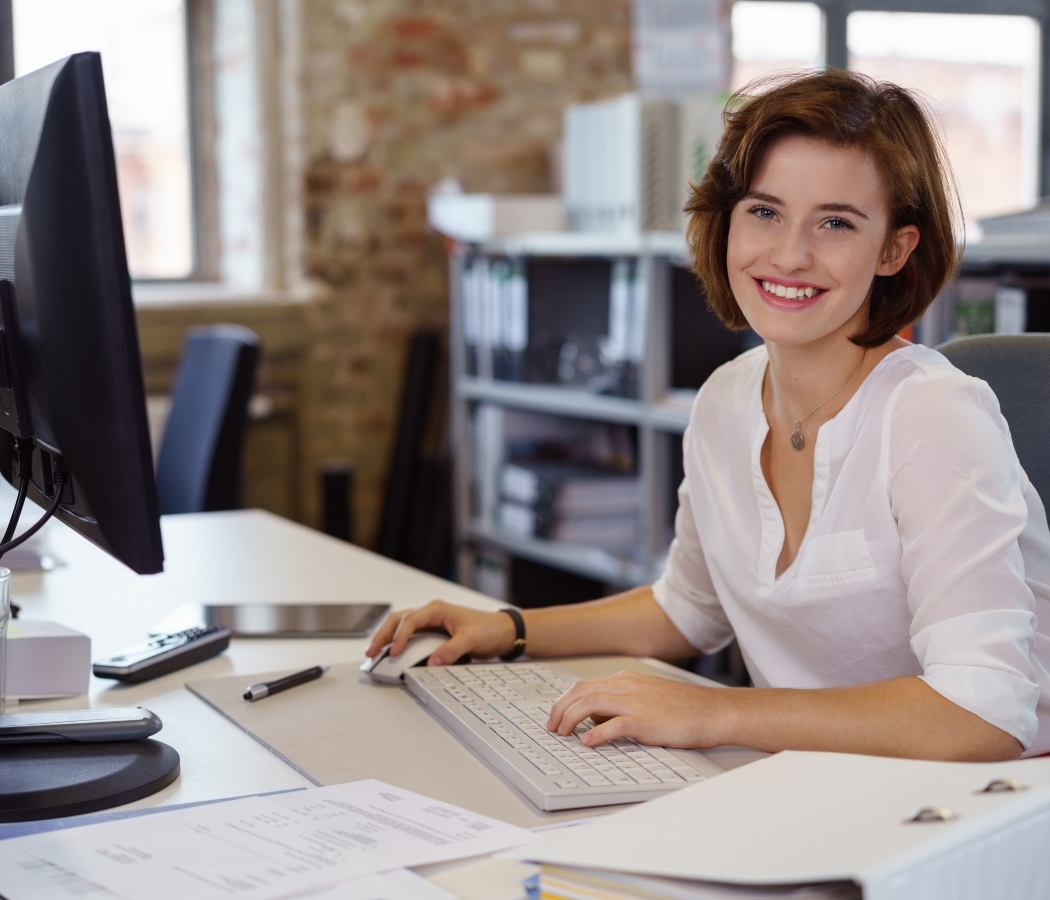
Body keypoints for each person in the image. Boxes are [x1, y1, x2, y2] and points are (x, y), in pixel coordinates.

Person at [367, 69, 1050, 762]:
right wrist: (508, 627)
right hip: (818, 788)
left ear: (895, 249)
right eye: (764, 211)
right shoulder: (725, 399)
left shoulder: (934, 415)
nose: (789, 254)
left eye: (836, 222)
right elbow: (687, 610)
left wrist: (715, 712)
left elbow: (982, 715)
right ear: (725, 220)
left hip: (981, 811)